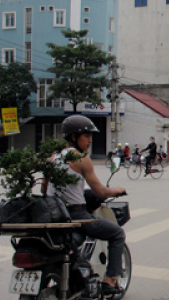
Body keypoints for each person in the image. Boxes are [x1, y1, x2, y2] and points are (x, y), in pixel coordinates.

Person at [41, 114, 126, 295]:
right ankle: (110, 281)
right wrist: (117, 190)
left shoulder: (52, 158)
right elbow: (100, 192)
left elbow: (44, 189)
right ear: (74, 137)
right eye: (86, 136)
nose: (90, 140)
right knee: (117, 234)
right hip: (75, 215)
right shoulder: (80, 158)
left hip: (51, 213)